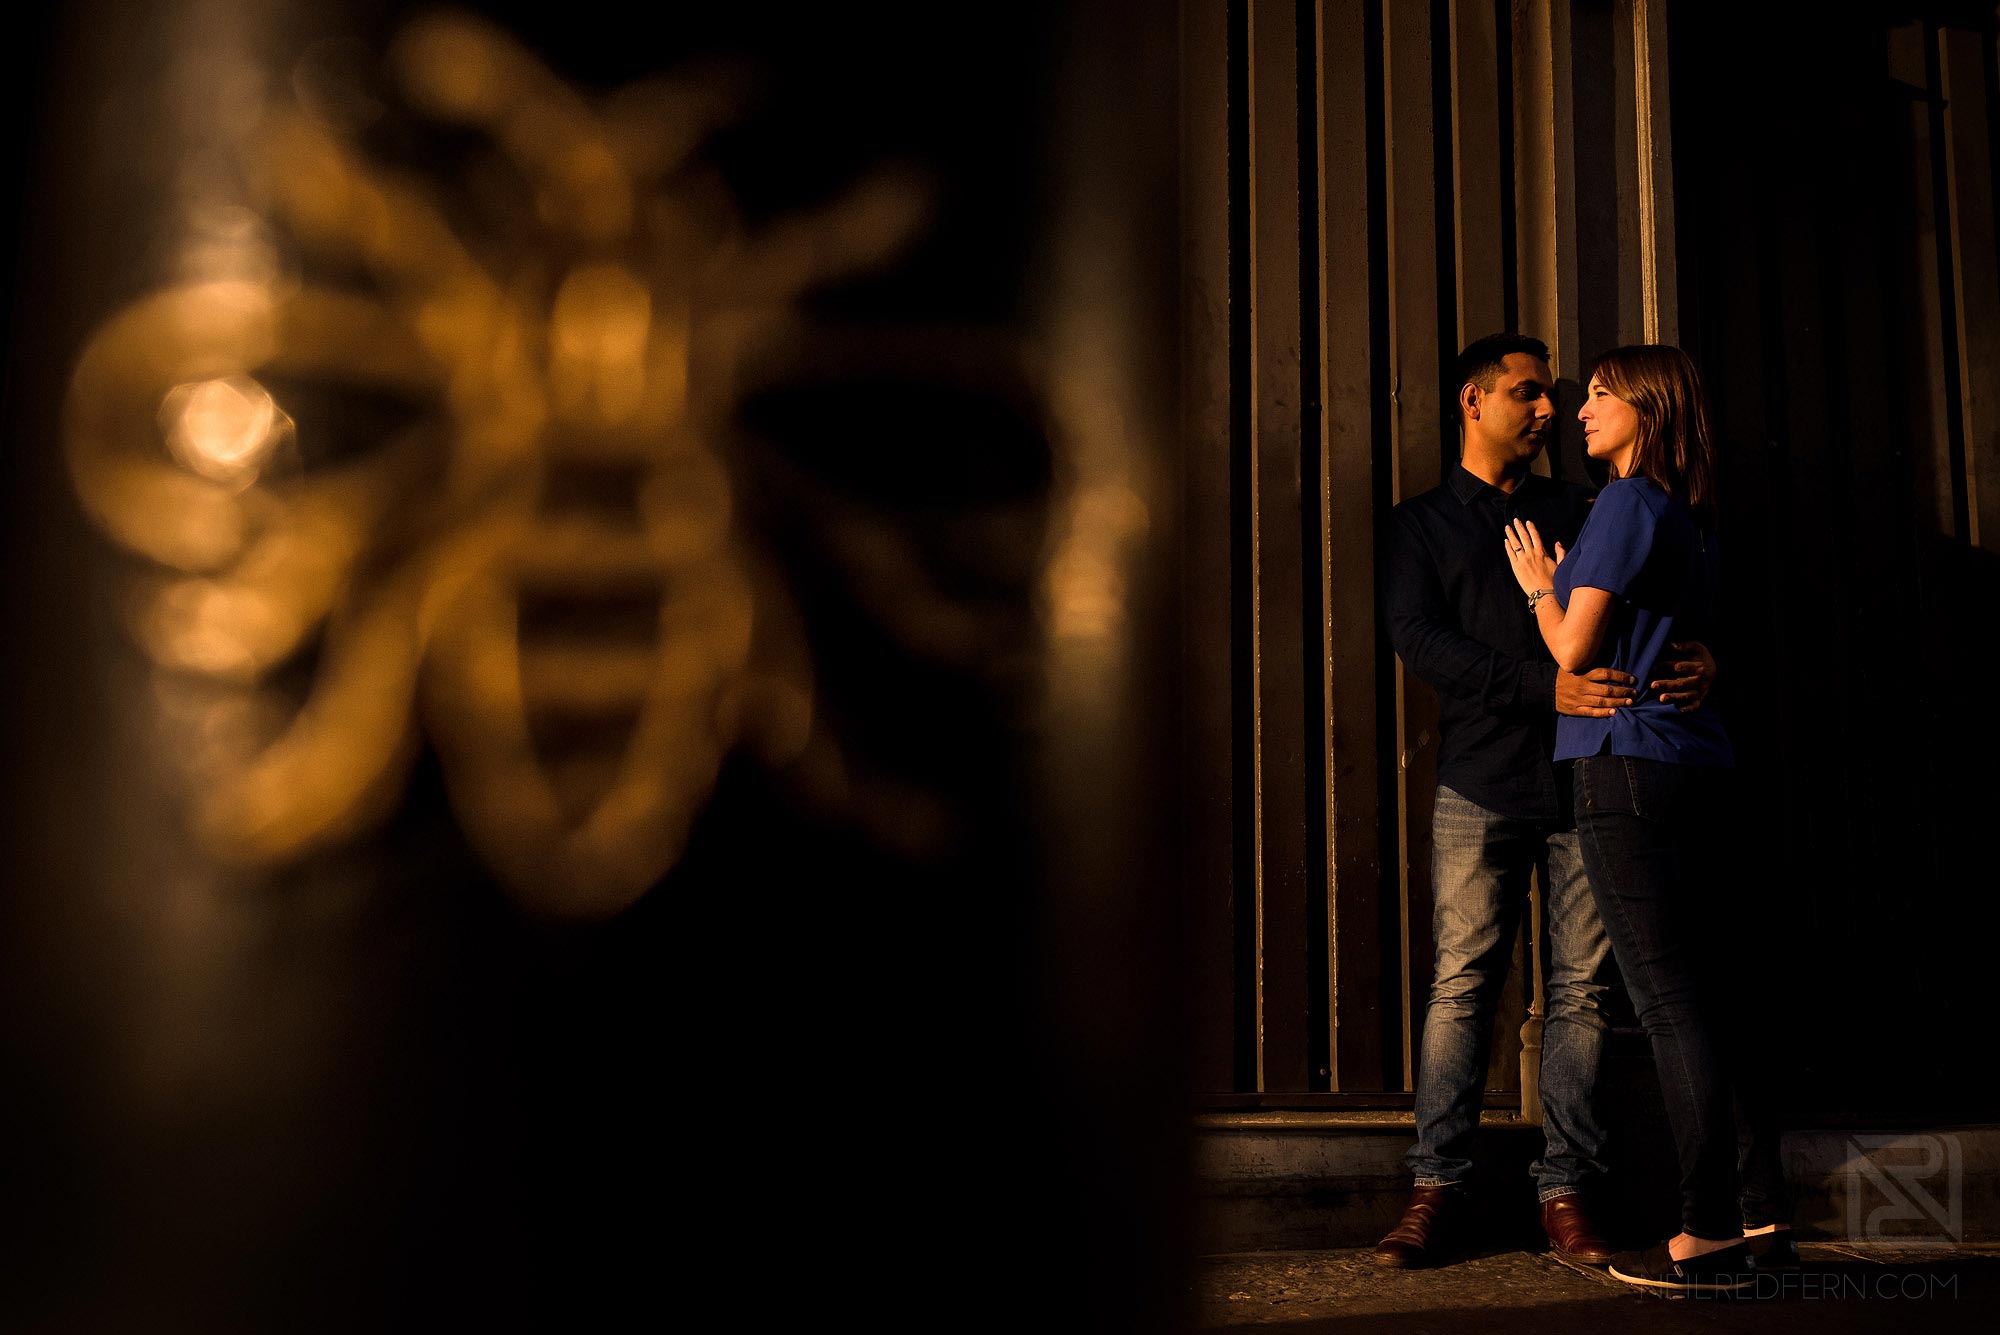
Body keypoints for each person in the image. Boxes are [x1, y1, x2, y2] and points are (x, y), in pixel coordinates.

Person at [1374, 334, 1717, 1269]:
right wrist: (1546, 688)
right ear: (1472, 400)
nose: (1548, 411)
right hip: (1480, 780)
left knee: (1582, 993)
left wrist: (1707, 657)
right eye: (1527, 393)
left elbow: (1661, 593)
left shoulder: (1586, 504)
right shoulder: (1419, 524)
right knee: (1461, 984)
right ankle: (1435, 1187)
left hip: (1585, 782)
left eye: (1554, 396)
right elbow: (1419, 640)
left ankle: (1567, 1193)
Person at [1502, 344, 1791, 1293]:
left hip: (1624, 764)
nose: (1581, 409)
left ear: (1649, 407)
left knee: (1669, 1004)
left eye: (1601, 394)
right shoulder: (1688, 513)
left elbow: (1572, 651)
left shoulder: (1625, 502)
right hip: (1698, 765)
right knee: (1714, 997)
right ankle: (1763, 1216)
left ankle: (1705, 1232)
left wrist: (1540, 587)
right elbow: (1692, 639)